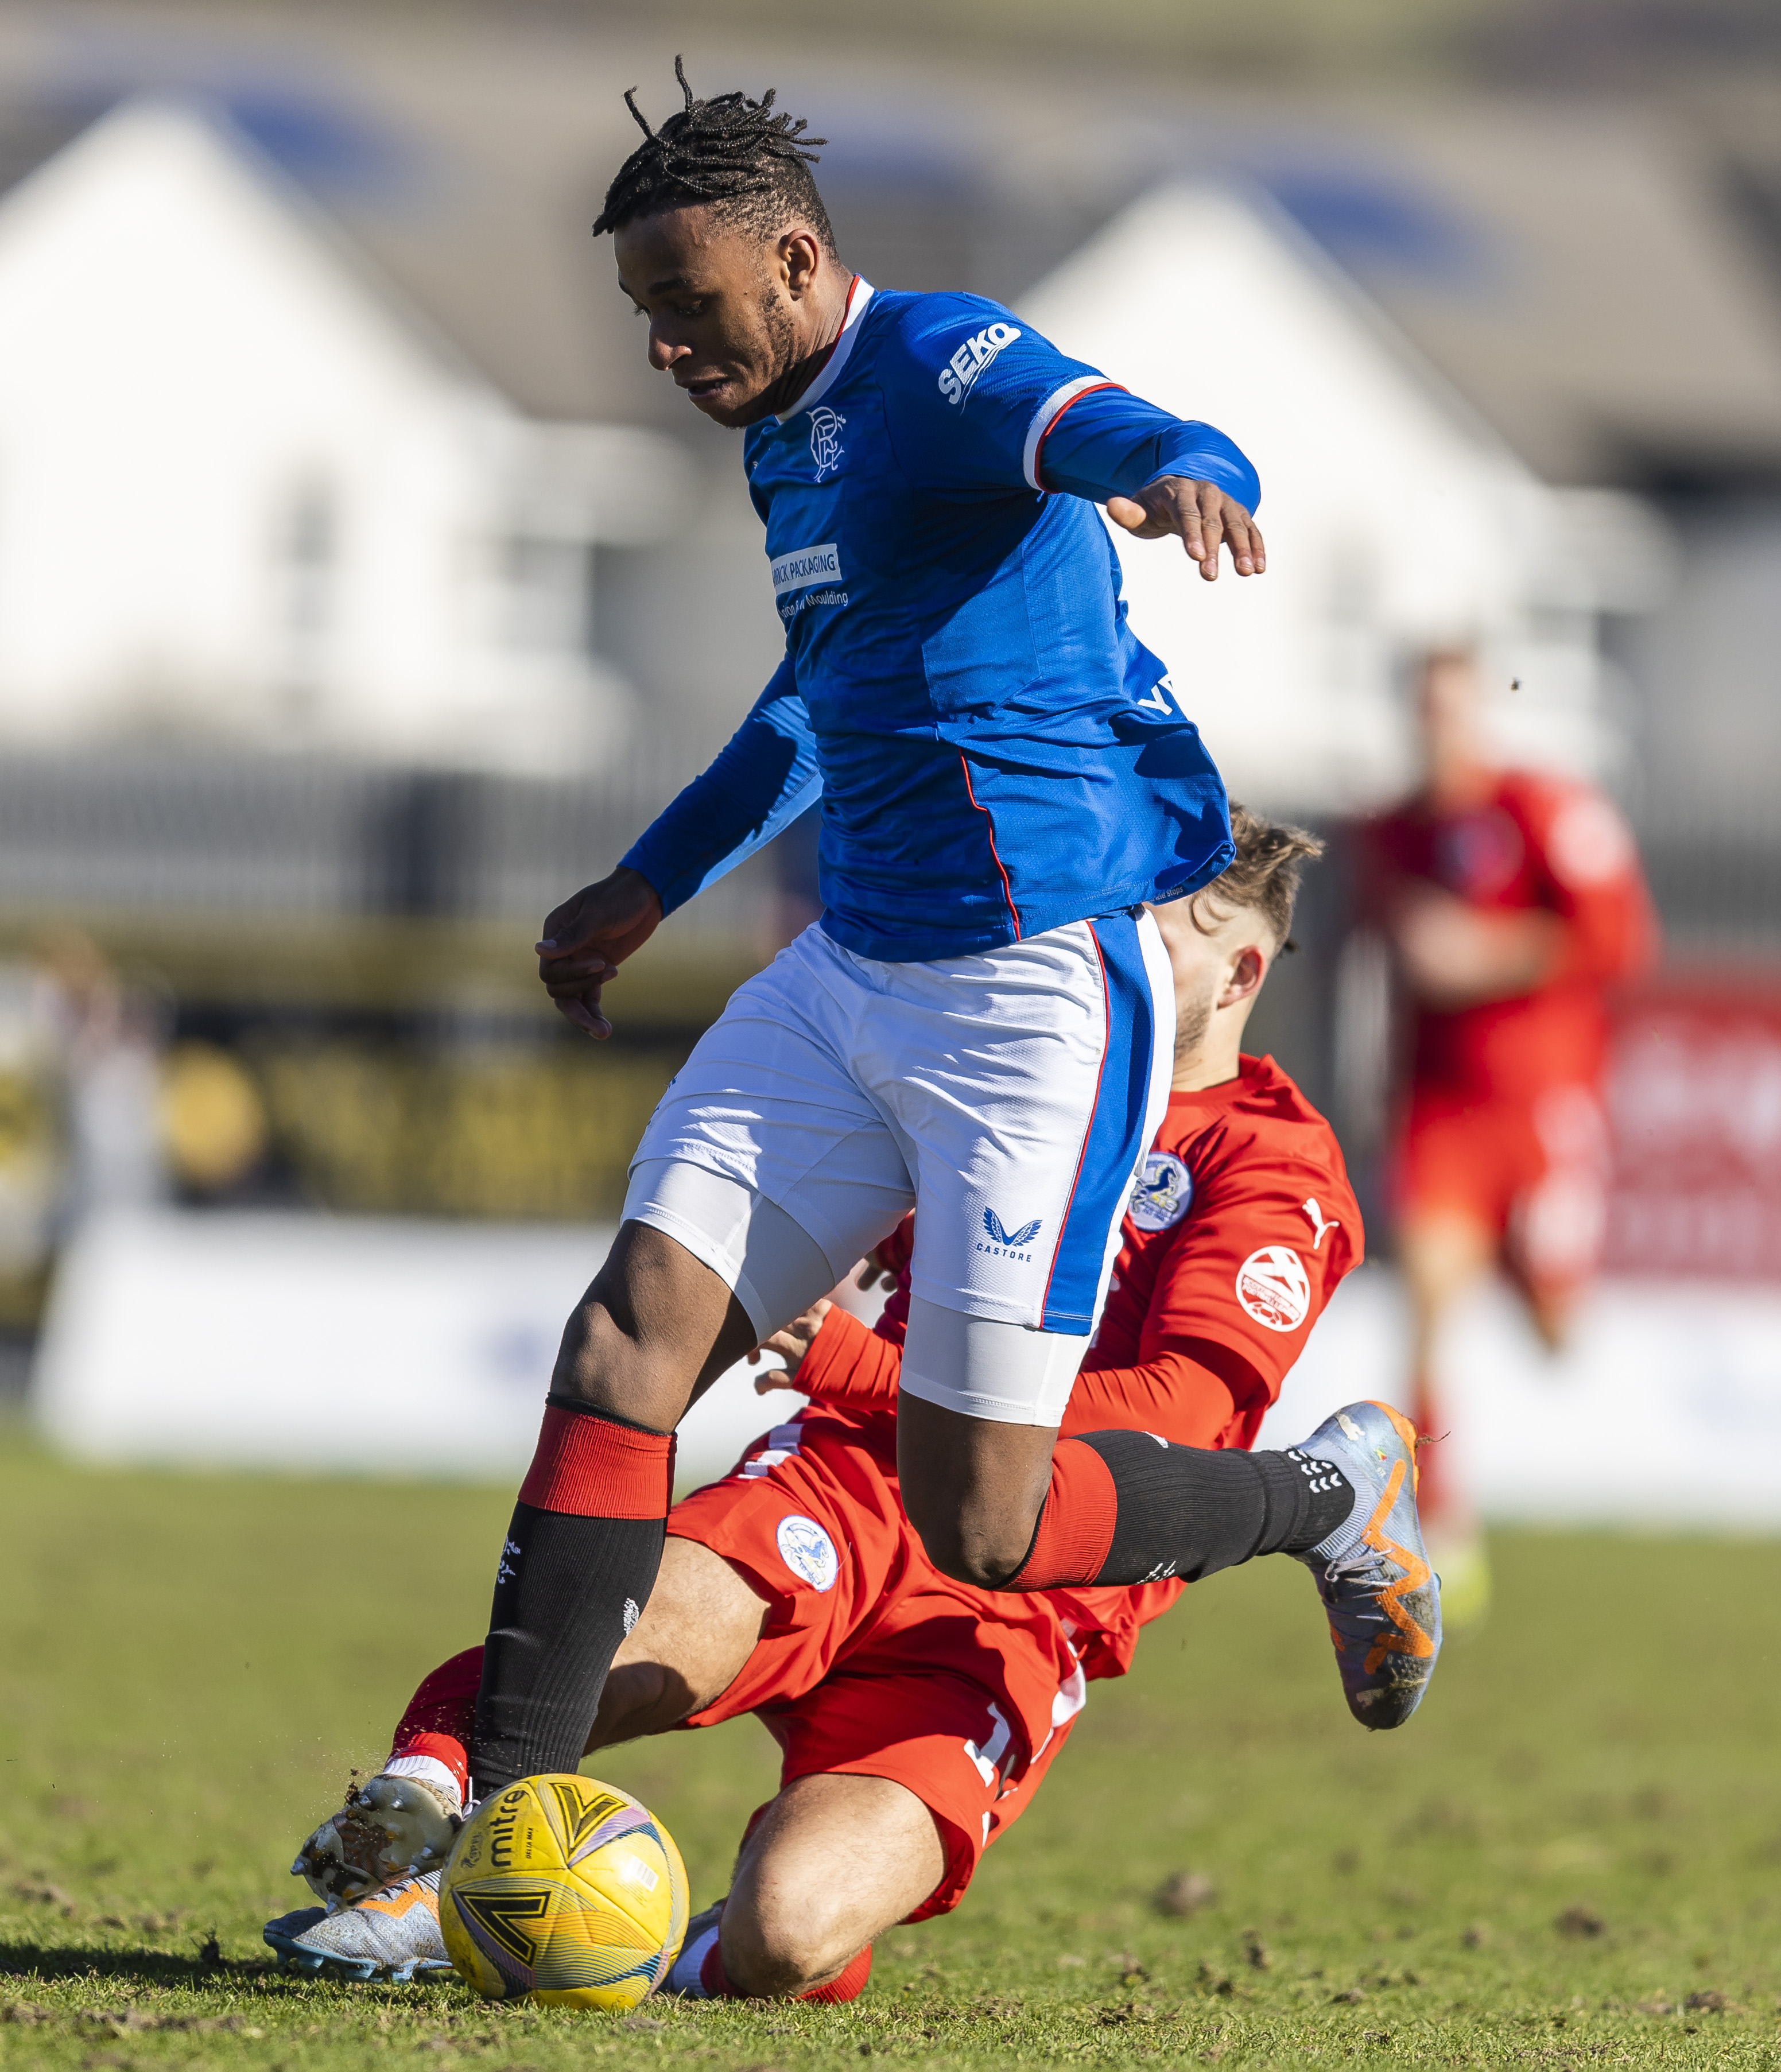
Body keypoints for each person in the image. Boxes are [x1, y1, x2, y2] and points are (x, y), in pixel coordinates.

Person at [462, 61, 1431, 1823]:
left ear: (796, 257)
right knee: (624, 1346)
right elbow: (815, 699)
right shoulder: (783, 439)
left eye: (687, 303)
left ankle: (1322, 1503)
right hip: (846, 973)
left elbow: (1100, 419)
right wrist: (654, 881)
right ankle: (468, 1835)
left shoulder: (935, 356)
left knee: (985, 1515)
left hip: (1033, 988)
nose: (666, 345)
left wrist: (1183, 472)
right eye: (643, 315)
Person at [265, 811, 1435, 1993]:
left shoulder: (1271, 1163)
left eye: (1156, 931)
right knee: (619, 1636)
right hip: (849, 1484)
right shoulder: (1027, 1053)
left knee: (793, 1929)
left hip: (1020, 1607)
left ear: (1242, 971)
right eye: (1113, 916)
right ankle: (431, 1844)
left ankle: (651, 1941)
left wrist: (860, 1361)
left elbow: (1177, 1418)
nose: (1115, 948)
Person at [1361, 650, 1655, 1624]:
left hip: (1542, 1107)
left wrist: (1490, 953)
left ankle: (1535, 1275)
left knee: (1552, 1324)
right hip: (1438, 1110)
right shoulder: (1392, 832)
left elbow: (1621, 940)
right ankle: (1444, 1531)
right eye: (1422, 707)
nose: (1436, 727)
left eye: (1452, 708)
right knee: (1430, 1314)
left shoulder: (1543, 808)